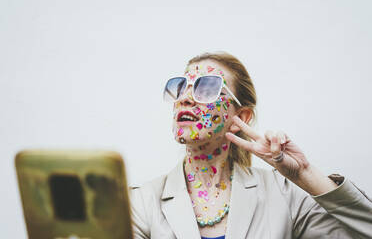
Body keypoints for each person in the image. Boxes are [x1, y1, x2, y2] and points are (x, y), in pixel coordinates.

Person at [130, 52, 372, 239]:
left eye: (207, 88)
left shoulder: (284, 196)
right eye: (181, 87)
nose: (184, 98)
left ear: (242, 118)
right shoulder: (141, 203)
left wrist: (304, 174)